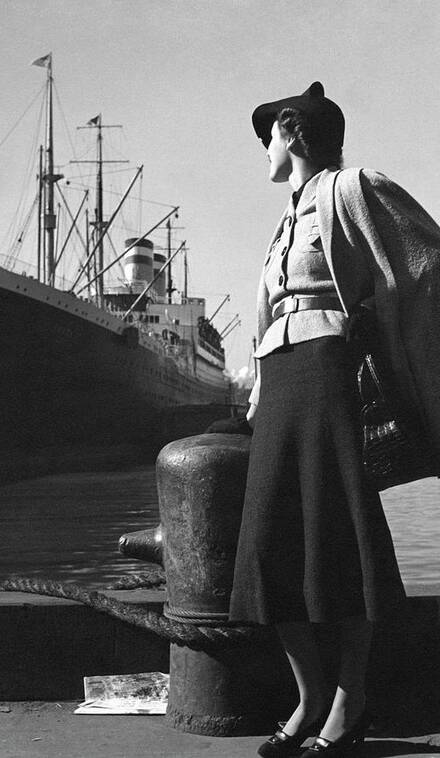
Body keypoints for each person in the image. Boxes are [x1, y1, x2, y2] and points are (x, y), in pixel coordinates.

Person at [229, 82, 440, 758]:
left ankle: (348, 702)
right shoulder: (281, 222)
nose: (264, 148)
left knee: (340, 542)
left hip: (328, 375)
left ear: (291, 129)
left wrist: (380, 328)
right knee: (269, 547)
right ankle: (310, 695)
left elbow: (426, 260)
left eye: (269, 134)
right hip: (279, 386)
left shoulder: (352, 188)